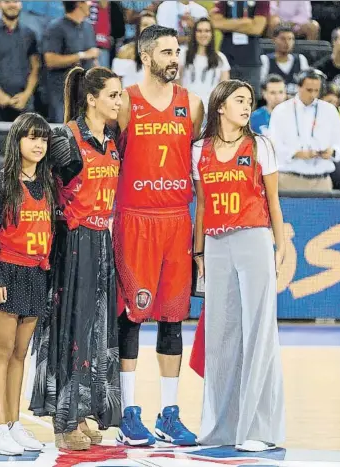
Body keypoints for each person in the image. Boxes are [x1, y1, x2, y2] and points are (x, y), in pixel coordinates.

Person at [113, 24, 204, 447]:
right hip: (134, 220)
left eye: (177, 51)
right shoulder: (125, 103)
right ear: (146, 56)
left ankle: (170, 412)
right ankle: (127, 411)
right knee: (130, 316)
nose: (174, 59)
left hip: (176, 221)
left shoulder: (194, 105)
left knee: (173, 318)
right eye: (166, 52)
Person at [29, 66, 122, 451]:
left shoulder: (111, 139)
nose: (119, 102)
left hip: (102, 242)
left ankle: (86, 412)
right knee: (69, 332)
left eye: (120, 95)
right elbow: (43, 193)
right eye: (113, 95)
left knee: (97, 331)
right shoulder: (66, 139)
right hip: (72, 245)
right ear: (91, 98)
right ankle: (62, 421)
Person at [190, 79, 285, 452]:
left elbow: (274, 202)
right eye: (239, 100)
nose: (247, 106)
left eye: (249, 101)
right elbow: (200, 207)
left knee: (260, 332)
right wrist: (198, 254)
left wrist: (279, 246)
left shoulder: (260, 146)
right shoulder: (200, 149)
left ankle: (259, 429)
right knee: (221, 335)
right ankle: (220, 428)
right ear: (220, 107)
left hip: (254, 238)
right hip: (215, 245)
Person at [0, 113, 55, 455]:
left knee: (20, 354)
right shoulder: (3, 181)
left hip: (35, 274)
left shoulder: (46, 185)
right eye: (31, 137)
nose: (38, 144)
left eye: (43, 139)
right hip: (6, 272)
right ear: (17, 141)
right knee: (0, 352)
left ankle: (14, 424)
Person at [269, 69, 340, 192]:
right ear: (299, 87)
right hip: (289, 178)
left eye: (317, 91)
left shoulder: (330, 110)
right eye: (309, 90)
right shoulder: (281, 111)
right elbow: (274, 144)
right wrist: (295, 153)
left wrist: (332, 152)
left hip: (322, 180)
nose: (313, 95)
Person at [179, 17, 230, 115]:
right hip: (186, 110)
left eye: (207, 31)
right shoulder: (183, 55)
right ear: (194, 33)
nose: (203, 34)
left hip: (210, 112)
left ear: (212, 34)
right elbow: (176, 84)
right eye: (199, 31)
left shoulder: (220, 58)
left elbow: (224, 90)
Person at [260, 25, 309, 98]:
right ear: (274, 40)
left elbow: (307, 86)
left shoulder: (301, 59)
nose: (287, 42)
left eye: (290, 39)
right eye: (283, 39)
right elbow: (261, 86)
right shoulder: (265, 60)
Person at [112, 10, 157, 88]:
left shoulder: (162, 54)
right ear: (138, 28)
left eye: (152, 26)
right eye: (145, 25)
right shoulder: (125, 51)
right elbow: (115, 83)